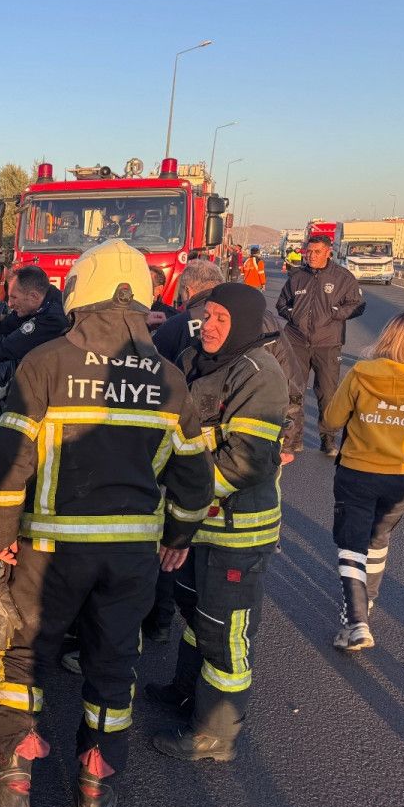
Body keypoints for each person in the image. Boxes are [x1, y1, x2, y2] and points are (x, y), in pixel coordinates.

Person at [0, 238, 213, 807]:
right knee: (112, 668)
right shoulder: (170, 379)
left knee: (23, 661)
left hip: (49, 555)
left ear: (80, 291)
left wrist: (0, 535)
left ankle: (13, 795)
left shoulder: (46, 363)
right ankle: (96, 794)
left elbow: (6, 464)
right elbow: (194, 475)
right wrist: (179, 533)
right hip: (131, 558)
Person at [148, 283, 288, 763]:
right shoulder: (195, 360)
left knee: (226, 631)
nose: (208, 326)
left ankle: (216, 733)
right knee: (197, 614)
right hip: (197, 524)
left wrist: (185, 498)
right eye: (207, 315)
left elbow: (244, 464)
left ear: (243, 324)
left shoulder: (260, 376)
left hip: (235, 530)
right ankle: (187, 691)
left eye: (221, 319)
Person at [322, 312, 404, 650]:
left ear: (386, 336)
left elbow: (332, 419)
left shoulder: (361, 373)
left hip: (358, 471)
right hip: (403, 475)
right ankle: (368, 599)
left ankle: (357, 621)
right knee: (378, 538)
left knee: (351, 545)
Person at [276, 234, 365, 461]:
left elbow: (357, 305)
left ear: (328, 252)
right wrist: (293, 315)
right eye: (309, 251)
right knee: (293, 390)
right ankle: (293, 439)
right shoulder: (297, 277)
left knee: (327, 393)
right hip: (296, 342)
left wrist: (335, 314)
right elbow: (281, 304)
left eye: (317, 252)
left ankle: (328, 439)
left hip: (328, 344)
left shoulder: (343, 277)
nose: (311, 256)